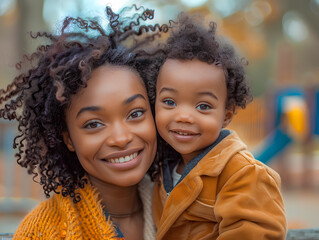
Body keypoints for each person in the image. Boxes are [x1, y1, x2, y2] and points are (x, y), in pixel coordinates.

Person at [0, 5, 165, 240]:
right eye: (93, 124)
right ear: (68, 138)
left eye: (135, 113)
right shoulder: (44, 231)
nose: (121, 137)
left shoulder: (190, 207)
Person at [152, 14, 287, 239]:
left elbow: (257, 232)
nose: (184, 116)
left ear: (226, 116)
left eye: (203, 106)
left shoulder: (242, 175)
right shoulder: (163, 165)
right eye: (169, 102)